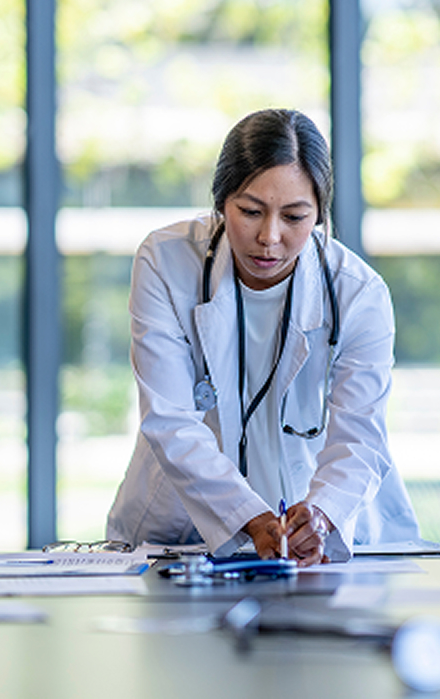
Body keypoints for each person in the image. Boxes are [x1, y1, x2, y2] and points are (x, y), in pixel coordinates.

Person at [107, 109, 420, 565]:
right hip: (184, 531)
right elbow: (170, 417)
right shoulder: (166, 261)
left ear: (319, 213)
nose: (269, 237)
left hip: (312, 531)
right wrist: (247, 517)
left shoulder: (358, 293)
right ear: (220, 202)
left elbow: (359, 435)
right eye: (250, 211)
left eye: (294, 216)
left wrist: (323, 514)